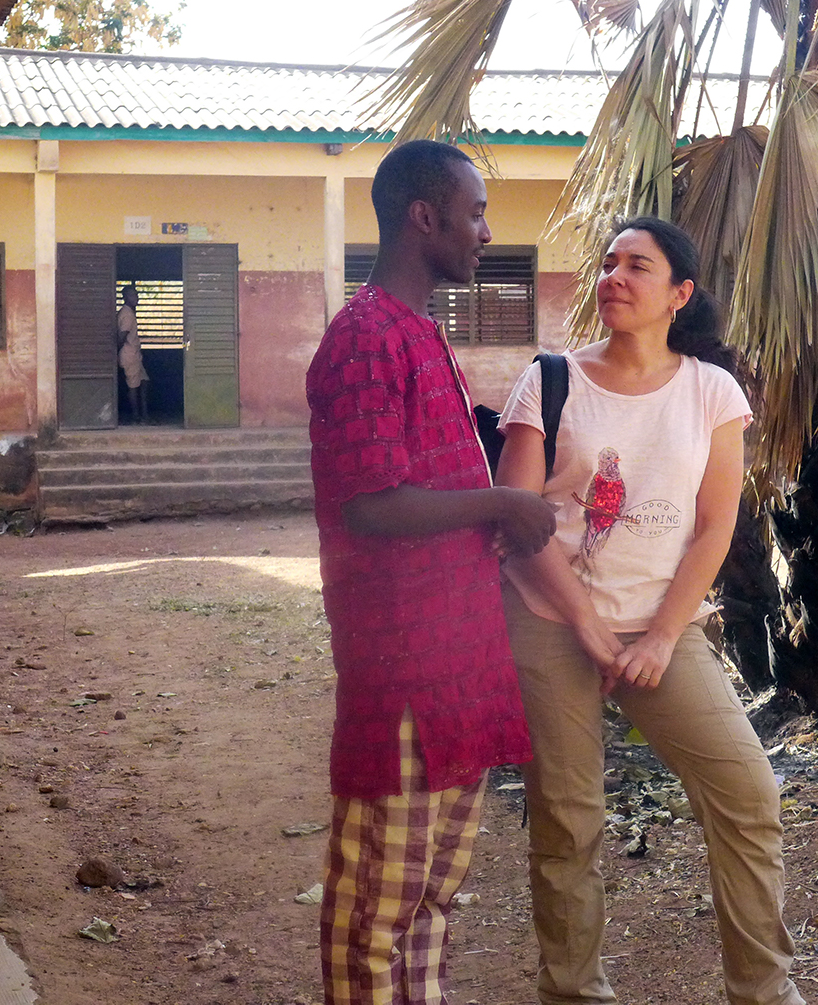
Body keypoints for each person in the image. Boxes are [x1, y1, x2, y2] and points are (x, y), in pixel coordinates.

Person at [496, 217, 807, 1005]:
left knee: (745, 793)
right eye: (606, 263)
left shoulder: (711, 390)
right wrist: (589, 628)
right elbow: (516, 519)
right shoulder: (550, 378)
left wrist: (665, 632)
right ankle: (573, 992)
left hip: (663, 630)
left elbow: (714, 525)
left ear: (680, 293)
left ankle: (763, 992)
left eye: (637, 265)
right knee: (567, 821)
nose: (614, 277)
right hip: (548, 618)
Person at [305, 138, 557, 1004]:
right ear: (424, 216)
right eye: (475, 211)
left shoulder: (418, 333)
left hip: (457, 671)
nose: (486, 231)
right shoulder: (363, 338)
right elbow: (371, 505)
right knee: (376, 908)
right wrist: (500, 505)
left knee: (429, 901)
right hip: (402, 673)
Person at [117, 284, 148, 424]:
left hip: (134, 355)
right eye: (132, 295)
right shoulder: (127, 315)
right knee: (133, 386)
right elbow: (122, 336)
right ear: (125, 298)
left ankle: (144, 415)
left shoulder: (126, 312)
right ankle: (136, 417)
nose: (136, 298)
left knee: (144, 382)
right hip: (129, 355)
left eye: (136, 295)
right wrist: (117, 352)